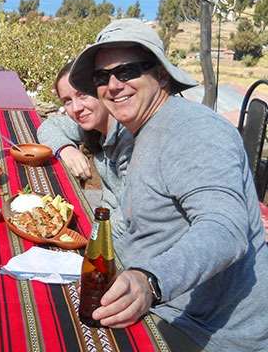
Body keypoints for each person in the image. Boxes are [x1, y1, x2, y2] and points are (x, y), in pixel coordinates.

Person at [69, 18, 268, 351]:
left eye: (128, 71)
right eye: (101, 77)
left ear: (161, 74)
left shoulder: (195, 132)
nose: (113, 85)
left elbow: (224, 228)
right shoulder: (138, 129)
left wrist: (149, 281)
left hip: (209, 329)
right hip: (163, 301)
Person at [37, 61, 133, 239]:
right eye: (67, 101)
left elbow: (129, 223)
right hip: (104, 217)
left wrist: (90, 242)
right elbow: (49, 126)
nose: (76, 108)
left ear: (103, 89)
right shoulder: (94, 127)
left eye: (83, 95)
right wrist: (66, 149)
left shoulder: (129, 143)